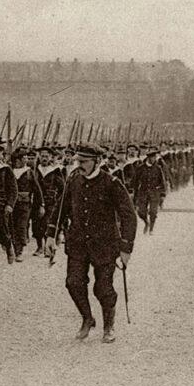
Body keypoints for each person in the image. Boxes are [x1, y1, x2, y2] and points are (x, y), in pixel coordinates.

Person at [45, 143, 137, 343]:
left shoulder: (112, 183)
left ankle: (109, 327)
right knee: (73, 283)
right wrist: (51, 235)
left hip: (105, 245)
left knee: (103, 289)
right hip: (77, 243)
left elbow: (129, 216)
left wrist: (126, 247)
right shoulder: (73, 181)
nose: (79, 165)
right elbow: (60, 208)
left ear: (98, 162)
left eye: (84, 161)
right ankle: (87, 318)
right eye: (78, 161)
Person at [9, 147, 42, 262]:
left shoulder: (29, 172)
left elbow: (37, 190)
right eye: (24, 157)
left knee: (22, 226)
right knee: (11, 226)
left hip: (25, 204)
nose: (27, 159)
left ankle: (19, 251)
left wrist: (41, 205)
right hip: (11, 204)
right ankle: (13, 248)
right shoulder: (10, 171)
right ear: (18, 160)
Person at [32, 145, 65, 256]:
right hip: (37, 201)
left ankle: (47, 247)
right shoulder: (35, 170)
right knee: (36, 225)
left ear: (50, 157)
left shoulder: (55, 170)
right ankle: (39, 247)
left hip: (51, 201)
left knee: (47, 223)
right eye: (42, 156)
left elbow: (62, 187)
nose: (44, 158)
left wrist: (58, 200)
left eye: (46, 156)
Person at [134, 147, 167, 234]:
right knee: (141, 212)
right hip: (143, 192)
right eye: (152, 158)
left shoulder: (158, 168)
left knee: (153, 212)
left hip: (154, 193)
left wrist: (163, 194)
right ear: (148, 158)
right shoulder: (140, 168)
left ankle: (151, 228)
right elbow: (135, 181)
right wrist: (135, 194)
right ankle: (146, 222)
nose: (154, 159)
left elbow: (162, 182)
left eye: (155, 157)